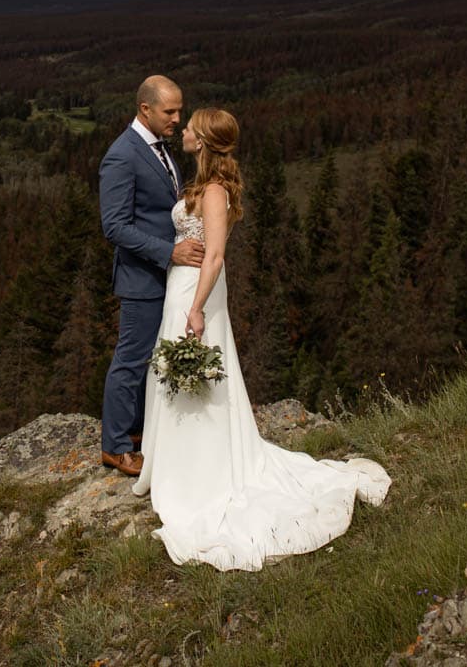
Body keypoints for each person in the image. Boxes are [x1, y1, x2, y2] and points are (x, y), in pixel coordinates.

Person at [132, 107, 391, 571]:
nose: (184, 131)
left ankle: (197, 472)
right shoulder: (202, 185)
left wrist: (195, 310)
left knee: (194, 374)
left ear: (205, 142)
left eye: (190, 127)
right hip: (182, 288)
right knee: (175, 373)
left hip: (196, 292)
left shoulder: (213, 191)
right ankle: (173, 462)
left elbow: (214, 256)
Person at [97, 75, 206, 476]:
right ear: (145, 109)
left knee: (151, 358)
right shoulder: (122, 156)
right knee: (132, 359)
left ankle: (140, 432)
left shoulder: (159, 149)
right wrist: (170, 251)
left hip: (166, 276)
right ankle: (116, 446)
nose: (178, 118)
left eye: (180, 110)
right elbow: (115, 226)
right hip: (142, 277)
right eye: (170, 111)